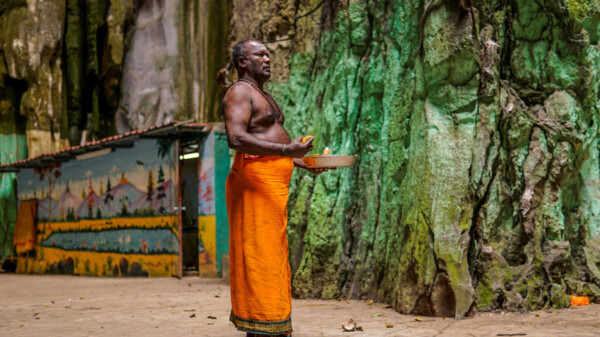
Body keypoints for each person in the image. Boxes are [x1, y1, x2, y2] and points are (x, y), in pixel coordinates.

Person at [222, 38, 327, 336]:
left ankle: (273, 326)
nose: (268, 58)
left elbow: (272, 143)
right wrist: (285, 152)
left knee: (273, 258)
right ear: (243, 62)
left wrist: (303, 162)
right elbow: (236, 138)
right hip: (253, 188)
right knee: (260, 259)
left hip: (270, 188)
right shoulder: (239, 92)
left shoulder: (260, 94)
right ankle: (262, 327)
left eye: (269, 54)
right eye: (260, 54)